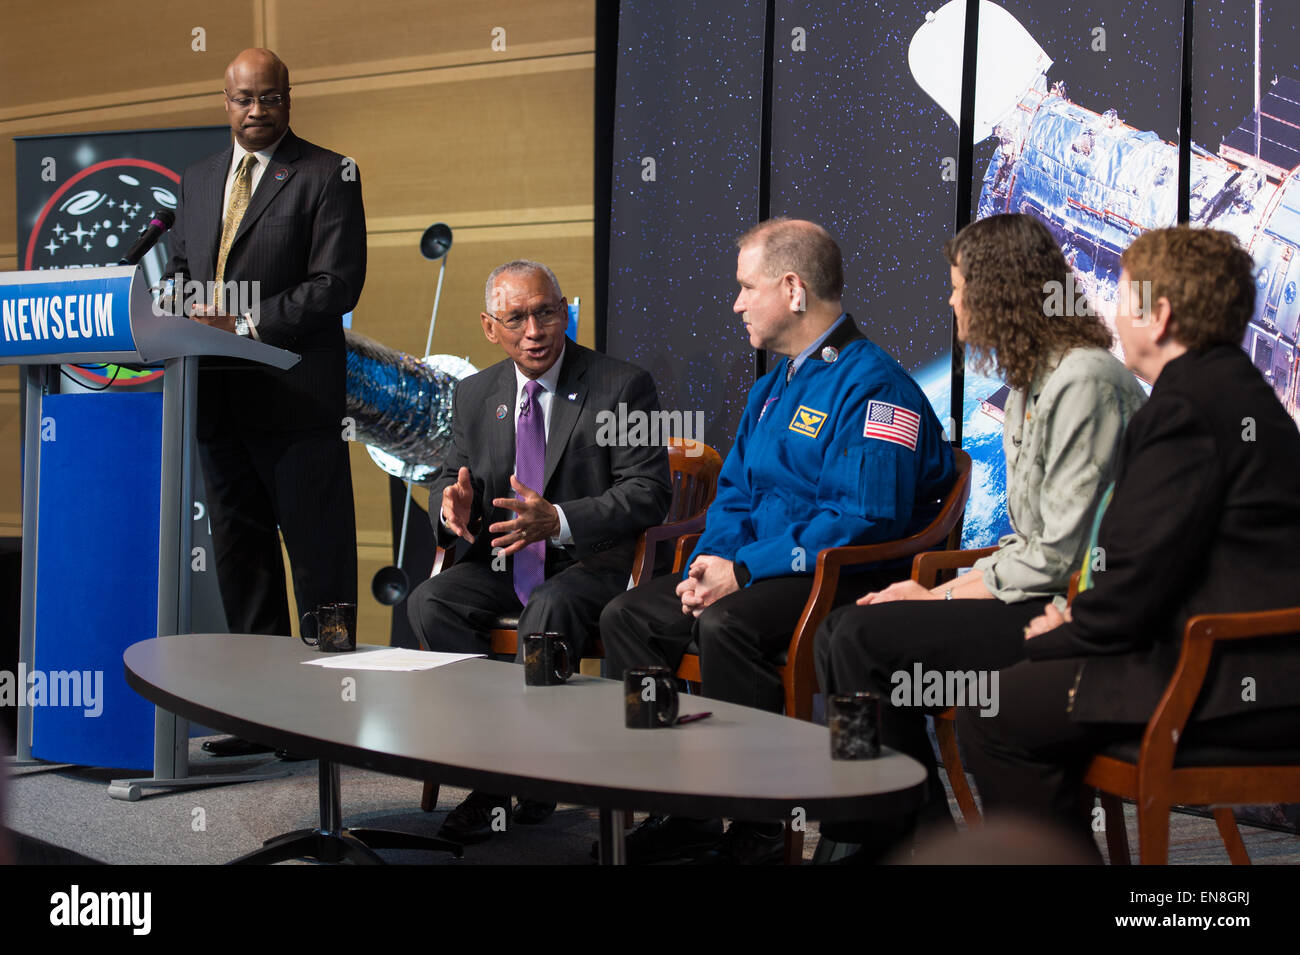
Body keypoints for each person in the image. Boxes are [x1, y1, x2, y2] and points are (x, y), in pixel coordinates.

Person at [599, 218, 955, 863]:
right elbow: (734, 493)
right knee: (628, 617)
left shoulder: (876, 386)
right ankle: (684, 812)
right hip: (757, 570)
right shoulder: (773, 387)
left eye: (746, 287)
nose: (736, 304)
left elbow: (863, 519)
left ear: (792, 289)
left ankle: (760, 823)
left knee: (726, 628)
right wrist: (715, 559)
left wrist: (746, 567)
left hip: (841, 578)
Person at [958, 226, 1300, 856]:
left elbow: (1137, 576)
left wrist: (1062, 632)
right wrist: (1079, 615)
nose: (1111, 313)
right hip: (1251, 670)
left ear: (1160, 315)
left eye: (1121, 296)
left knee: (994, 711)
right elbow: (1161, 562)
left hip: (1218, 683)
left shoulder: (1186, 412)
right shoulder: (1230, 394)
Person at [814, 213, 1146, 859]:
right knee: (843, 630)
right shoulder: (1029, 385)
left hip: (1072, 615)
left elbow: (1056, 556)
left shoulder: (1084, 381)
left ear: (997, 292)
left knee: (860, 638)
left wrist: (938, 599)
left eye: (959, 286)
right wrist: (942, 589)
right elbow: (1027, 544)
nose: (951, 300)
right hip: (1035, 595)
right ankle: (895, 830)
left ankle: (892, 837)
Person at [406, 259, 672, 844]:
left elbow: (649, 492)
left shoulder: (622, 385)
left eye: (547, 312)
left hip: (592, 563)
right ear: (489, 327)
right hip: (505, 561)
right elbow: (449, 479)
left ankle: (539, 768)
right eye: (518, 317)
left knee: (548, 610)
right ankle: (493, 767)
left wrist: (560, 520)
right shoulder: (475, 394)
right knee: (431, 603)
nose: (535, 329)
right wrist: (451, 510)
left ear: (564, 312)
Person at [164, 48, 366, 759]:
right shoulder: (195, 181)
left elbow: (335, 284)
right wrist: (179, 304)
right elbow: (187, 273)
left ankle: (328, 715)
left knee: (322, 567)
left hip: (296, 403)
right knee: (241, 564)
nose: (257, 111)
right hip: (217, 402)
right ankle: (259, 718)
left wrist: (244, 320)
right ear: (225, 101)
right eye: (244, 99)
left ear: (288, 97)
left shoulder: (328, 174)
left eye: (270, 98)